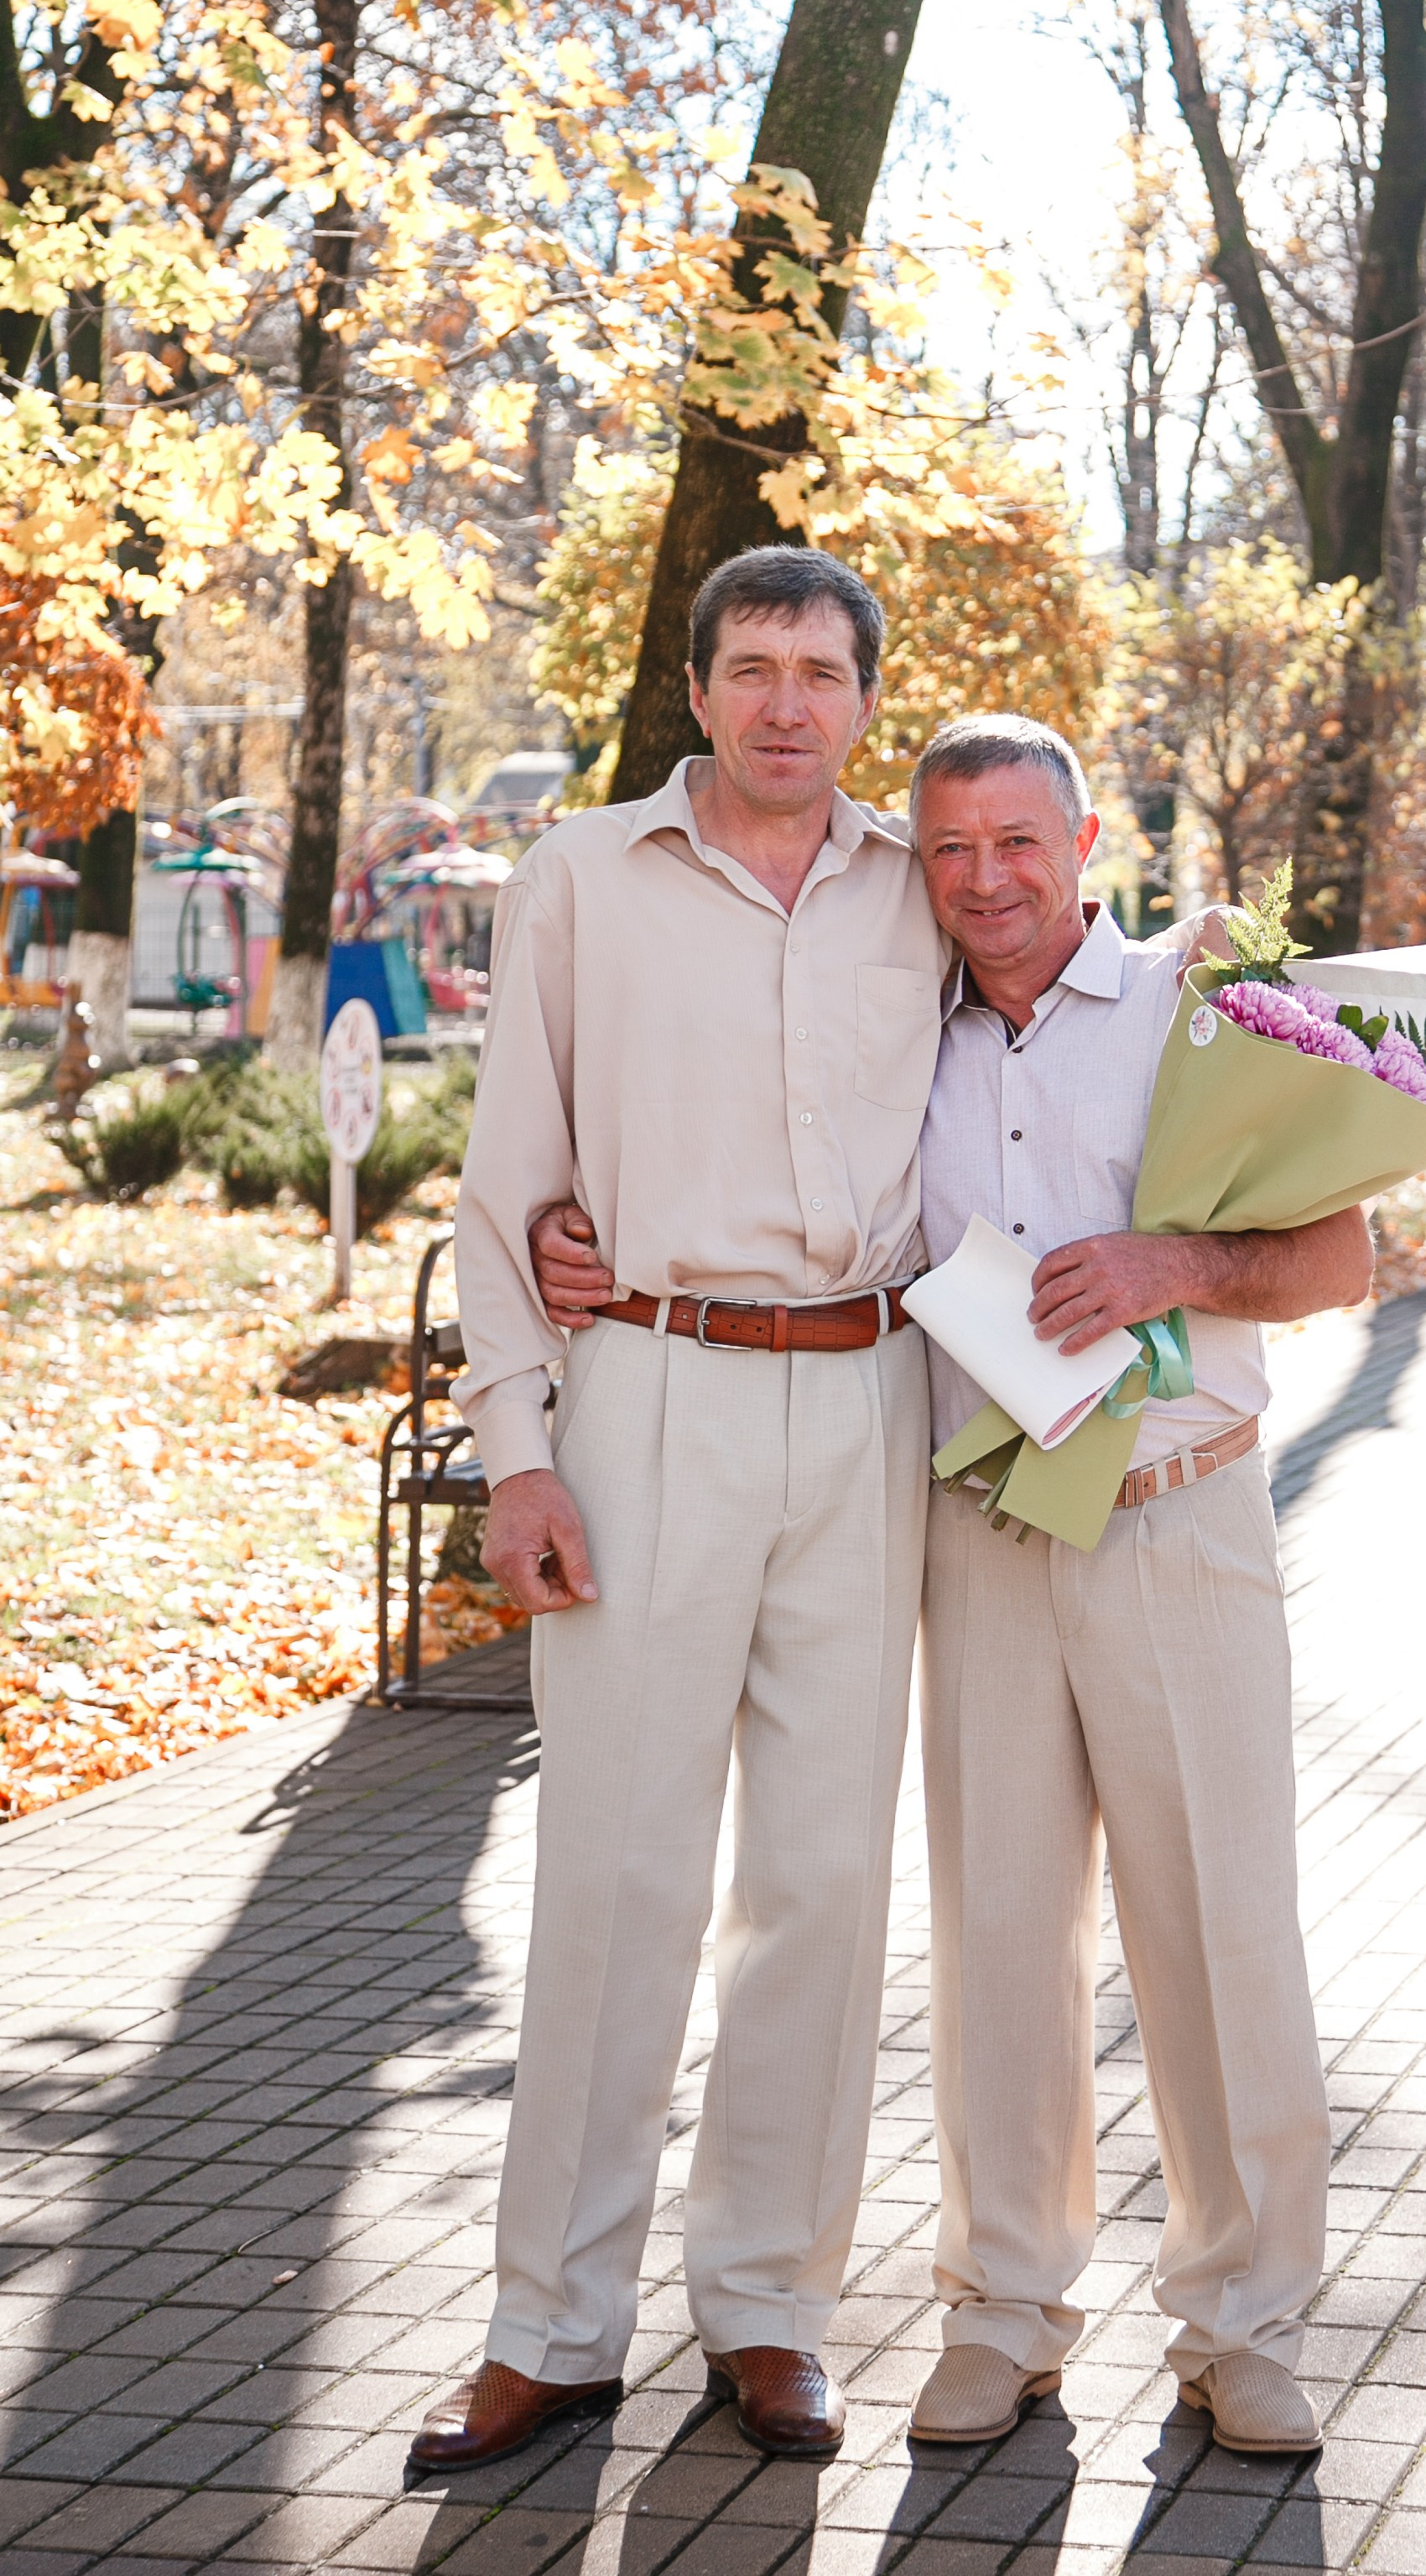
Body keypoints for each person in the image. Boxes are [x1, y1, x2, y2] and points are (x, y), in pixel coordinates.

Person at [531, 714, 1371, 2461]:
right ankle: (1004, 2308)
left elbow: (1349, 1249)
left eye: (1020, 844)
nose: (986, 881)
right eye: (953, 850)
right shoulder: (888, 1022)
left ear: (1086, 843)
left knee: (1220, 1924)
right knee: (998, 1937)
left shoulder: (1207, 995)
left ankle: (1249, 2319)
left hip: (1176, 1515)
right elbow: (756, 1173)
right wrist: (575, 1233)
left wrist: (1175, 1259)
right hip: (979, 1528)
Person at [407, 546, 950, 2479]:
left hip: (872, 1398)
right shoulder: (582, 882)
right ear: (699, 687)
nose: (786, 700)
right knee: (621, 1875)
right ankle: (549, 2325)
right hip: (645, 1389)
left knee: (818, 1886)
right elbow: (505, 1191)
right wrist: (516, 1442)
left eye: (821, 669)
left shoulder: (924, 888)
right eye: (751, 666)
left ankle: (773, 2313)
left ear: (869, 700)